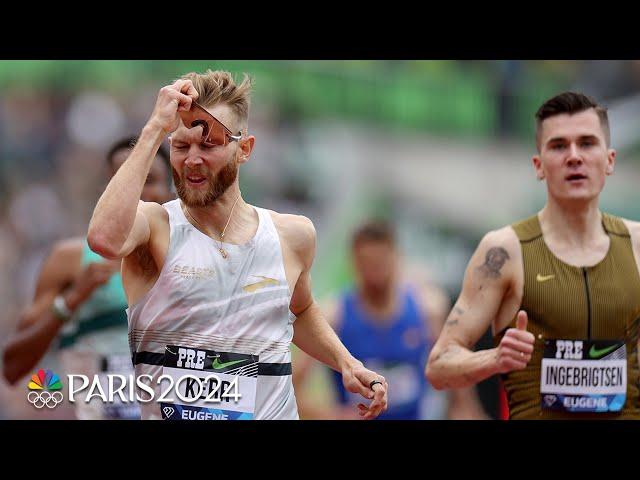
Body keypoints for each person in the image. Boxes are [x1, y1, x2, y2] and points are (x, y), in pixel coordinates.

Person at [86, 70, 389, 420]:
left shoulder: (292, 235)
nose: (192, 159)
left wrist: (347, 363)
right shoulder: (157, 227)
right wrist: (156, 126)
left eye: (209, 144)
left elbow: (300, 310)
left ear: (244, 148)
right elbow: (103, 239)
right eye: (181, 146)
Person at [426, 92, 640, 419]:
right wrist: (495, 358)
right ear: (538, 166)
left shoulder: (637, 244)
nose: (574, 157)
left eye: (587, 143)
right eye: (558, 146)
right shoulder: (504, 251)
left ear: (609, 159)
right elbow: (438, 366)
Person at [2, 136, 174, 419]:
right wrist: (73, 299)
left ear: (170, 191)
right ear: (106, 191)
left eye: (149, 179)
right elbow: (13, 366)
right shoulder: (71, 260)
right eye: (123, 180)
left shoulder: (191, 264)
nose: (135, 192)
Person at [294, 221, 487, 419]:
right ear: (354, 263)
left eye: (381, 263)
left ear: (397, 258)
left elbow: (456, 382)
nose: (375, 274)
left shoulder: (428, 308)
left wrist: (469, 411)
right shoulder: (334, 315)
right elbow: (292, 392)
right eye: (367, 264)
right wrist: (333, 416)